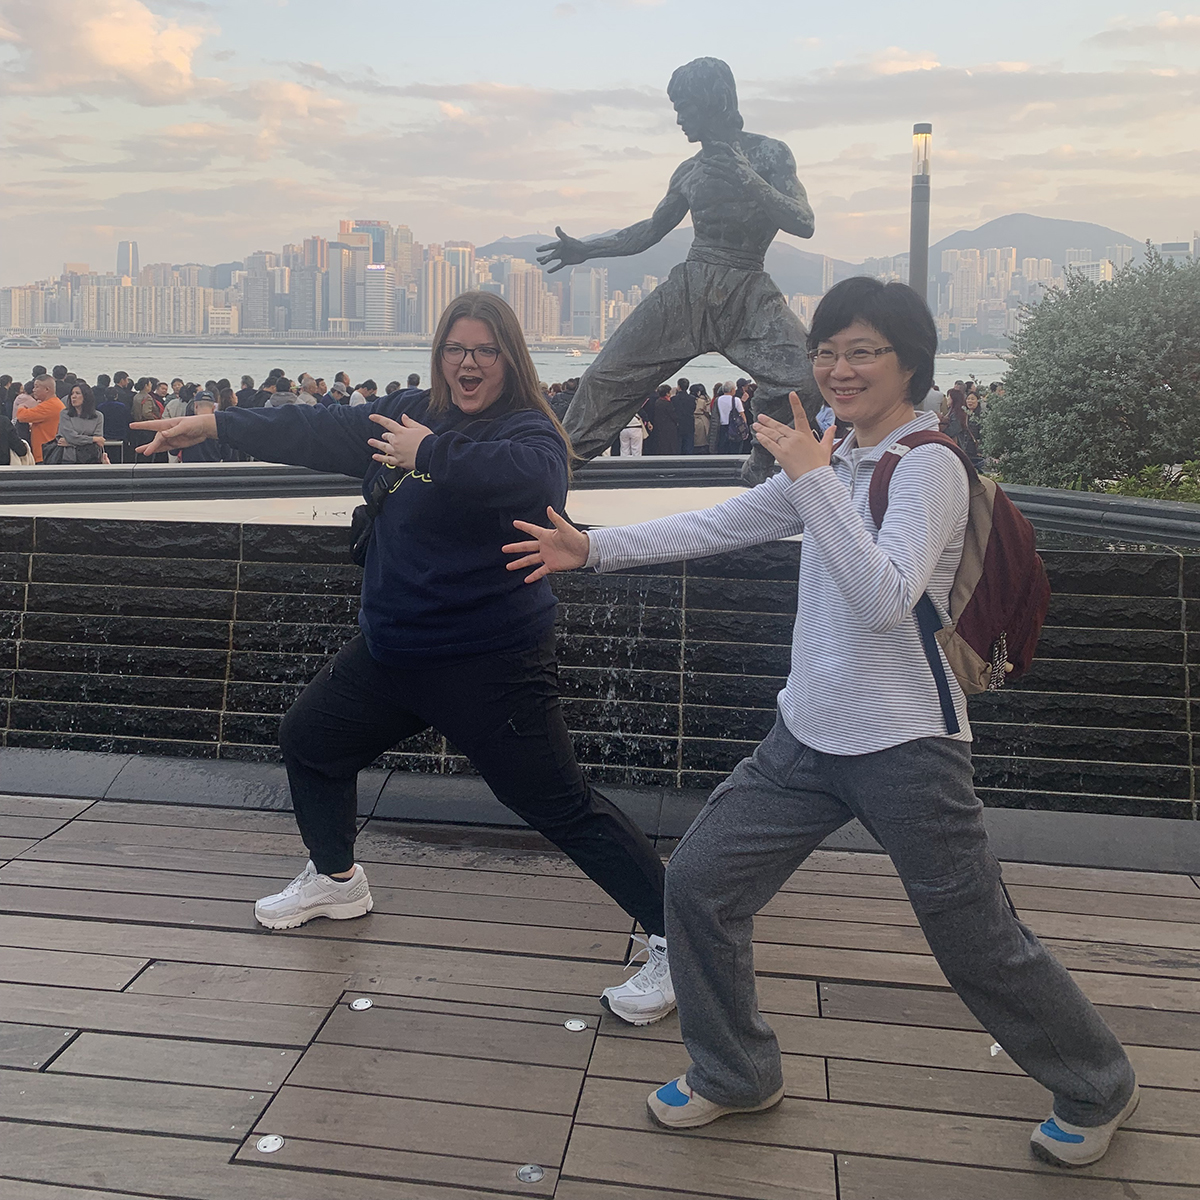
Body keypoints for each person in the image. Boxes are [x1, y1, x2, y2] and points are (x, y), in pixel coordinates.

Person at [505, 275, 1139, 1168]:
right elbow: (730, 520)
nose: (839, 369)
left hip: (909, 744)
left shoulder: (929, 467)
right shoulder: (835, 457)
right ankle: (735, 1073)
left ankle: (1098, 1082)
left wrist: (812, 476)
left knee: (976, 942)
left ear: (909, 361)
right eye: (827, 351)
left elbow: (885, 597)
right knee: (700, 886)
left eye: (862, 351)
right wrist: (594, 548)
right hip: (805, 735)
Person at [130, 291, 675, 1026]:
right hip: (393, 653)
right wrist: (215, 423)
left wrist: (430, 453)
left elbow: (539, 481)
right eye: (456, 348)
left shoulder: (526, 430)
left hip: (490, 663)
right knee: (311, 740)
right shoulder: (410, 412)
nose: (468, 363)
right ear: (439, 354)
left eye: (485, 350)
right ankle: (337, 879)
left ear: (510, 358)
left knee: (560, 806)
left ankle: (683, 935)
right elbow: (316, 426)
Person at [536, 57, 821, 486]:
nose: (679, 119)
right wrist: (586, 249)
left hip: (747, 288)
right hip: (689, 288)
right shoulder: (688, 172)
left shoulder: (769, 154)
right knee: (605, 378)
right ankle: (553, 470)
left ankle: (761, 461)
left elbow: (804, 222)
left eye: (685, 106)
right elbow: (648, 231)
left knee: (804, 376)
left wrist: (748, 178)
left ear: (715, 102)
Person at [53, 382, 106, 464]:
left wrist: (70, 443)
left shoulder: (98, 416)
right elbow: (71, 437)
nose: (73, 396)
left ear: (86, 396)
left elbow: (98, 443)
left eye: (77, 393)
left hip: (91, 459)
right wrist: (92, 439)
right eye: (72, 394)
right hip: (68, 459)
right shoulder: (65, 414)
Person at [21, 375, 66, 463]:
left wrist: (21, 406)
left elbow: (22, 416)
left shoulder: (49, 406)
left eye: (36, 387)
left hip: (46, 453)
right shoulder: (54, 403)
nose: (33, 390)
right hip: (47, 451)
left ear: (47, 389)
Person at [645, 383, 680, 455]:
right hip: (669, 426)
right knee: (670, 444)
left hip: (660, 426)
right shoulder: (667, 403)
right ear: (667, 393)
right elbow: (673, 415)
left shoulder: (657, 402)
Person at [689, 384, 710, 452]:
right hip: (703, 421)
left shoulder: (690, 399)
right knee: (703, 441)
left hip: (692, 420)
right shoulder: (705, 400)